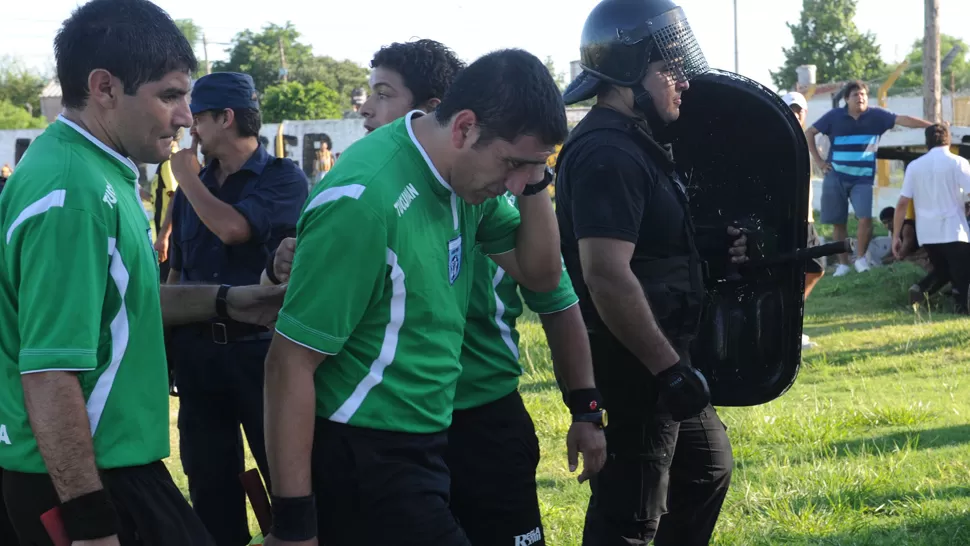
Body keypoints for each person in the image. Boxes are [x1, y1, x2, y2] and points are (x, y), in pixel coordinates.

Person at [265, 39, 606, 546]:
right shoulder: (364, 201)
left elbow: (540, 276)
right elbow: (289, 363)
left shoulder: (462, 179)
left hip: (429, 437)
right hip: (366, 449)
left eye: (531, 170)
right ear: (465, 127)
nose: (515, 185)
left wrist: (534, 179)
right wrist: (294, 525)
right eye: (513, 164)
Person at [0, 2, 288, 545]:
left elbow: (126, 305)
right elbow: (49, 372)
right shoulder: (73, 195)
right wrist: (89, 525)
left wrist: (230, 300)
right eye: (170, 95)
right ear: (105, 88)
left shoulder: (99, 168)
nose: (185, 117)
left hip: (111, 462)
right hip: (85, 476)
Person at [555, 0, 748, 543]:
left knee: (705, 469)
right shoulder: (606, 154)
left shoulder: (636, 146)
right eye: (670, 69)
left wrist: (709, 248)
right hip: (635, 364)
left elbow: (645, 247)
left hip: (661, 356)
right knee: (631, 515)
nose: (682, 82)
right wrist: (669, 371)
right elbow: (606, 275)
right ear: (624, 73)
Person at [166, 71, 308, 546]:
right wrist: (167, 348)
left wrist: (184, 178)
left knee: (287, 479)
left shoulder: (283, 178)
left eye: (199, 120)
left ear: (225, 119)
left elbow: (234, 229)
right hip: (199, 359)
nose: (192, 132)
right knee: (209, 488)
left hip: (262, 356)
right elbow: (176, 275)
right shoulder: (197, 186)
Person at [806, 80, 932, 277]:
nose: (860, 97)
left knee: (865, 218)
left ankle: (861, 258)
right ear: (846, 99)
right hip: (836, 176)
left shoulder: (876, 116)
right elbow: (810, 132)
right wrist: (820, 162)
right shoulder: (834, 116)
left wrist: (933, 127)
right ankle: (843, 264)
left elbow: (903, 119)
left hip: (863, 179)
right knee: (839, 222)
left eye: (863, 94)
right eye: (855, 94)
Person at [893, 123, 970, 313]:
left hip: (927, 233)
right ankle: (962, 309)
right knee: (962, 273)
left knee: (943, 270)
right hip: (954, 229)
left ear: (926, 142)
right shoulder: (958, 163)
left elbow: (902, 203)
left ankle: (919, 289)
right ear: (949, 140)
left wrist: (896, 235)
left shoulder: (914, 166)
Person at [783, 91, 824, 350]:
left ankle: (789, 321)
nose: (795, 114)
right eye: (791, 109)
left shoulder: (802, 141)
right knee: (793, 273)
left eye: (799, 110)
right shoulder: (781, 139)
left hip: (806, 218)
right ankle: (787, 327)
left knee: (815, 269)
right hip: (790, 220)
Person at [148, 131, 182, 282]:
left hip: (169, 234)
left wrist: (163, 237)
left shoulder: (170, 160)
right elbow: (160, 198)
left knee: (166, 285)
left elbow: (175, 197)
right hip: (169, 232)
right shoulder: (171, 159)